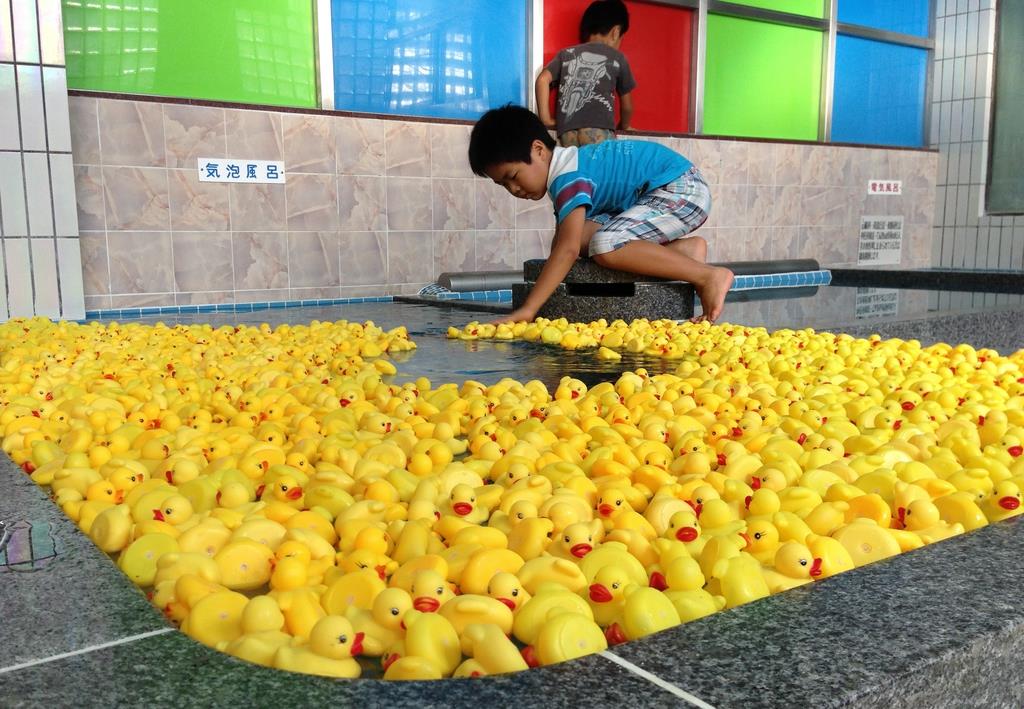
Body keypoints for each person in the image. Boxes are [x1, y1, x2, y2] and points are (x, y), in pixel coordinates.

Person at [467, 105, 734, 324]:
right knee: (584, 237)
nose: (513, 189)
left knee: (604, 244)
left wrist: (529, 308)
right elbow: (568, 241)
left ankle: (709, 276)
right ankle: (684, 252)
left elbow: (566, 251)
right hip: (666, 190)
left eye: (513, 176)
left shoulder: (568, 176)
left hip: (680, 189)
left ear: (538, 150)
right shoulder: (569, 168)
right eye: (503, 185)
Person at [536, 0, 635, 147]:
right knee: (602, 168)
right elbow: (627, 107)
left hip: (567, 132)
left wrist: (546, 119)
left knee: (576, 167)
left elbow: (543, 80)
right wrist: (624, 125)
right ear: (616, 32)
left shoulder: (566, 54)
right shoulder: (618, 58)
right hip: (599, 130)